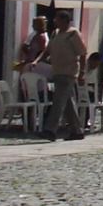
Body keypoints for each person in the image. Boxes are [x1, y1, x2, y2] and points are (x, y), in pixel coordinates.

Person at [40, 10, 89, 141]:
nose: (55, 21)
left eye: (57, 19)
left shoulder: (73, 34)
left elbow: (83, 53)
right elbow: (47, 50)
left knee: (58, 101)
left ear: (64, 21)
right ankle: (77, 131)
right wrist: (36, 61)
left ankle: (50, 129)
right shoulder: (55, 34)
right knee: (67, 102)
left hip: (69, 72)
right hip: (57, 71)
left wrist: (82, 73)